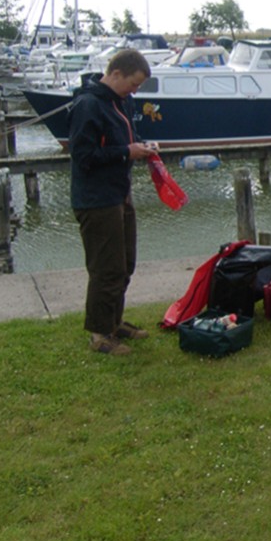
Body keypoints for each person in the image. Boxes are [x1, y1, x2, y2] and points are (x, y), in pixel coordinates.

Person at [69, 48, 158, 355]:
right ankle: (99, 334)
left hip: (119, 192)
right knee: (106, 268)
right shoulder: (88, 105)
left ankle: (113, 321)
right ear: (116, 74)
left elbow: (127, 138)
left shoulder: (121, 102)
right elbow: (83, 157)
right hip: (96, 199)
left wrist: (142, 147)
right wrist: (125, 153)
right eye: (133, 84)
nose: (135, 91)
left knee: (125, 264)